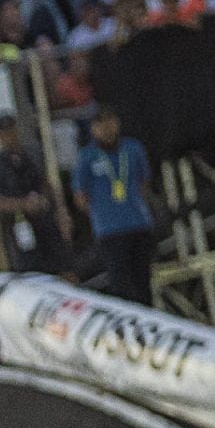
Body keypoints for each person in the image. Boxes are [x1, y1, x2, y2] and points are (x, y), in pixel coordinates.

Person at [73, 106, 160, 306]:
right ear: (93, 128)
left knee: (143, 282)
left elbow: (144, 181)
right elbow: (80, 195)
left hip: (138, 224)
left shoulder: (133, 148)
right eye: (100, 123)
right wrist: (100, 214)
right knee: (121, 284)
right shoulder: (88, 156)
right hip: (110, 230)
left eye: (109, 121)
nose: (106, 128)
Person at [0, 111, 64, 273]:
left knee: (58, 264)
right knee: (30, 269)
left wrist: (48, 202)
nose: (10, 137)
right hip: (19, 224)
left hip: (44, 220)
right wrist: (22, 204)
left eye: (12, 131)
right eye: (6, 133)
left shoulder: (32, 154)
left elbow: (46, 182)